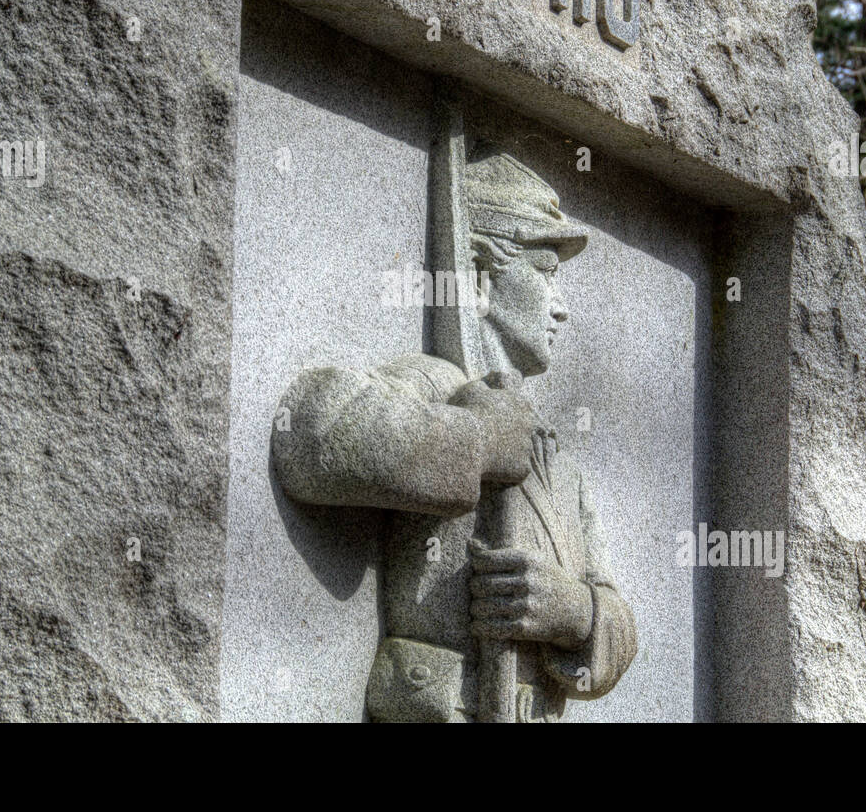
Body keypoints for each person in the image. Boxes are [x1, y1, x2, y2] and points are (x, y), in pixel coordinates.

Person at [272, 147, 636, 722]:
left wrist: (577, 614)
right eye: (545, 274)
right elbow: (314, 433)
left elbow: (615, 614)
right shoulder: (437, 385)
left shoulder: (555, 462)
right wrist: (479, 441)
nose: (561, 309)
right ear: (482, 275)